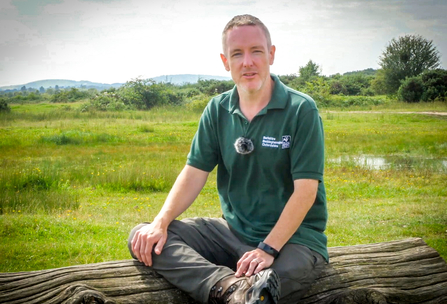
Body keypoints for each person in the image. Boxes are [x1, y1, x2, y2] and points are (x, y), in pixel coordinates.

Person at [128, 14, 328, 304]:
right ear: (225, 61)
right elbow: (194, 172)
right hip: (232, 232)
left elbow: (306, 192)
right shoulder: (217, 109)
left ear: (271, 54)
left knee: (271, 285)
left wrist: (267, 249)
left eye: (256, 51)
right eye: (237, 54)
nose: (247, 62)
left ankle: (250, 292)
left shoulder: (301, 109)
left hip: (294, 241)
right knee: (143, 236)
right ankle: (226, 287)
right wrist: (160, 222)